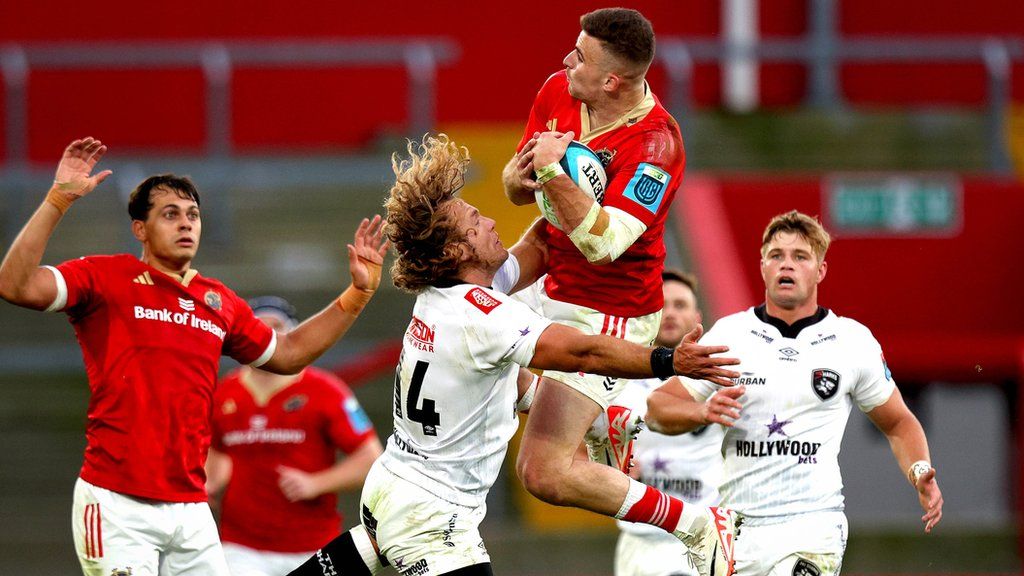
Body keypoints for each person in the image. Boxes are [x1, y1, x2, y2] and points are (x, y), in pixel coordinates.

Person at [285, 134, 740, 576]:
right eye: (476, 220)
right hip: (431, 517)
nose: (490, 223)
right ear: (457, 249)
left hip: (396, 488)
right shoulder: (481, 317)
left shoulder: (444, 293)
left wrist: (558, 180)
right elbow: (579, 351)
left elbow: (539, 251)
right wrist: (665, 361)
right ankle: (695, 527)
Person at [0, 137, 389, 576]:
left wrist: (357, 295)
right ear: (140, 229)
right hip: (117, 501)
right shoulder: (105, 277)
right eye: (170, 214)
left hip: (190, 511)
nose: (186, 224)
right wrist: (57, 200)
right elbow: (16, 286)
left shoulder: (218, 301)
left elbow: (289, 353)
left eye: (193, 215)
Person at [499, 8, 735, 574]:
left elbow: (605, 244)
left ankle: (697, 522)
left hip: (607, 312)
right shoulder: (559, 89)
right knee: (464, 348)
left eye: (579, 56)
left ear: (613, 80)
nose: (564, 61)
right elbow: (518, 189)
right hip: (551, 276)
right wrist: (522, 175)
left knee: (544, 474)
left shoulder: (657, 146)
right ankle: (615, 418)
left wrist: (554, 174)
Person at [646, 211, 945, 576]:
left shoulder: (852, 341)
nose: (786, 265)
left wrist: (919, 470)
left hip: (813, 526)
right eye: (777, 256)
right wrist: (702, 412)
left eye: (800, 257)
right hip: (737, 531)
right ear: (763, 267)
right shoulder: (730, 335)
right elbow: (657, 408)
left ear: (820, 270)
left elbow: (898, 421)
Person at [206, 295, 384, 576]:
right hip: (242, 547)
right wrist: (208, 483)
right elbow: (216, 450)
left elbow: (371, 458)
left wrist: (317, 483)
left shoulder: (326, 390)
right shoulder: (224, 393)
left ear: (296, 332)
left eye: (276, 326)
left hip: (313, 546)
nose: (268, 337)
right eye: (259, 328)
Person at [603, 270, 725, 576]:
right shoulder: (616, 381)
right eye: (662, 304)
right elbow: (582, 446)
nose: (670, 312)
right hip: (641, 539)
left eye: (680, 305)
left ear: (697, 316)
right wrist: (606, 464)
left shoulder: (720, 378)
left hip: (705, 537)